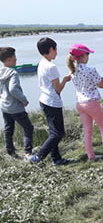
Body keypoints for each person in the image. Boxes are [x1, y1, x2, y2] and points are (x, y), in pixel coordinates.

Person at [30, 37, 72, 165]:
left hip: (44, 100)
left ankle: (57, 159)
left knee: (53, 132)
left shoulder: (41, 63)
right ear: (50, 49)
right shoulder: (51, 67)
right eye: (56, 49)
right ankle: (38, 156)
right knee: (58, 133)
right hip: (52, 102)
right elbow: (58, 89)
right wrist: (65, 80)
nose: (57, 52)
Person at [67, 44, 103, 161]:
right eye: (88, 54)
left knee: (87, 131)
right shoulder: (91, 70)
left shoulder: (72, 72)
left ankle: (91, 156)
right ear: (82, 56)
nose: (89, 56)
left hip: (80, 103)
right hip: (91, 102)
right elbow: (102, 85)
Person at [0, 47, 34, 159]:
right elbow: (13, 89)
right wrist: (24, 100)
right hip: (15, 107)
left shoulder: (0, 71)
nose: (16, 59)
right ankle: (28, 153)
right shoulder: (13, 73)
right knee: (28, 128)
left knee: (8, 129)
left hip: (4, 106)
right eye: (15, 57)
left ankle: (10, 152)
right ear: (9, 59)